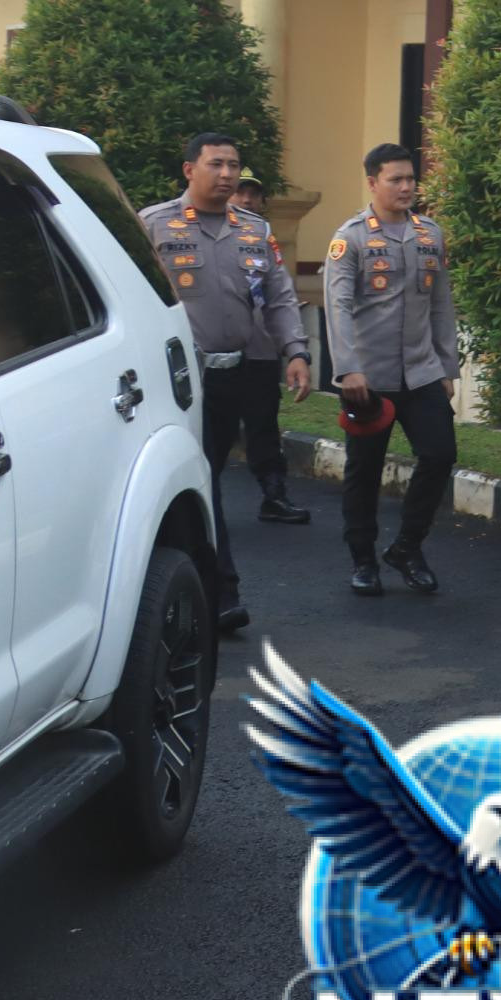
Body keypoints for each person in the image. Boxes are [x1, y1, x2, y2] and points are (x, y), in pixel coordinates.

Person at [138, 131, 313, 632]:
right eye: (216, 164)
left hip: (233, 373)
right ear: (189, 169)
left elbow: (279, 296)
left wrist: (296, 351)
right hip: (178, 382)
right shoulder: (154, 225)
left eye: (233, 165)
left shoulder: (254, 230)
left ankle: (182, 588)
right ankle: (221, 595)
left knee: (203, 481)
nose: (227, 174)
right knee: (203, 483)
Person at [323, 144, 457, 597]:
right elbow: (338, 307)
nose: (406, 187)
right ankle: (363, 559)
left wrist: (447, 367)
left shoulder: (429, 234)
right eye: (395, 179)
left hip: (421, 371)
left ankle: (407, 548)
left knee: (440, 455)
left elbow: (441, 305)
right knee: (365, 471)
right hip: (369, 379)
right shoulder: (351, 238)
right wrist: (348, 369)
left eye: (410, 179)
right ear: (372, 183)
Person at [226, 172, 310, 528]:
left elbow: (281, 295)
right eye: (239, 192)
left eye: (253, 194)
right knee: (208, 433)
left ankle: (274, 495)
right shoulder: (197, 233)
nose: (246, 200)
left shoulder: (262, 237)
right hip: (209, 355)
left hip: (259, 349)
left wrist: (295, 350)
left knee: (263, 426)